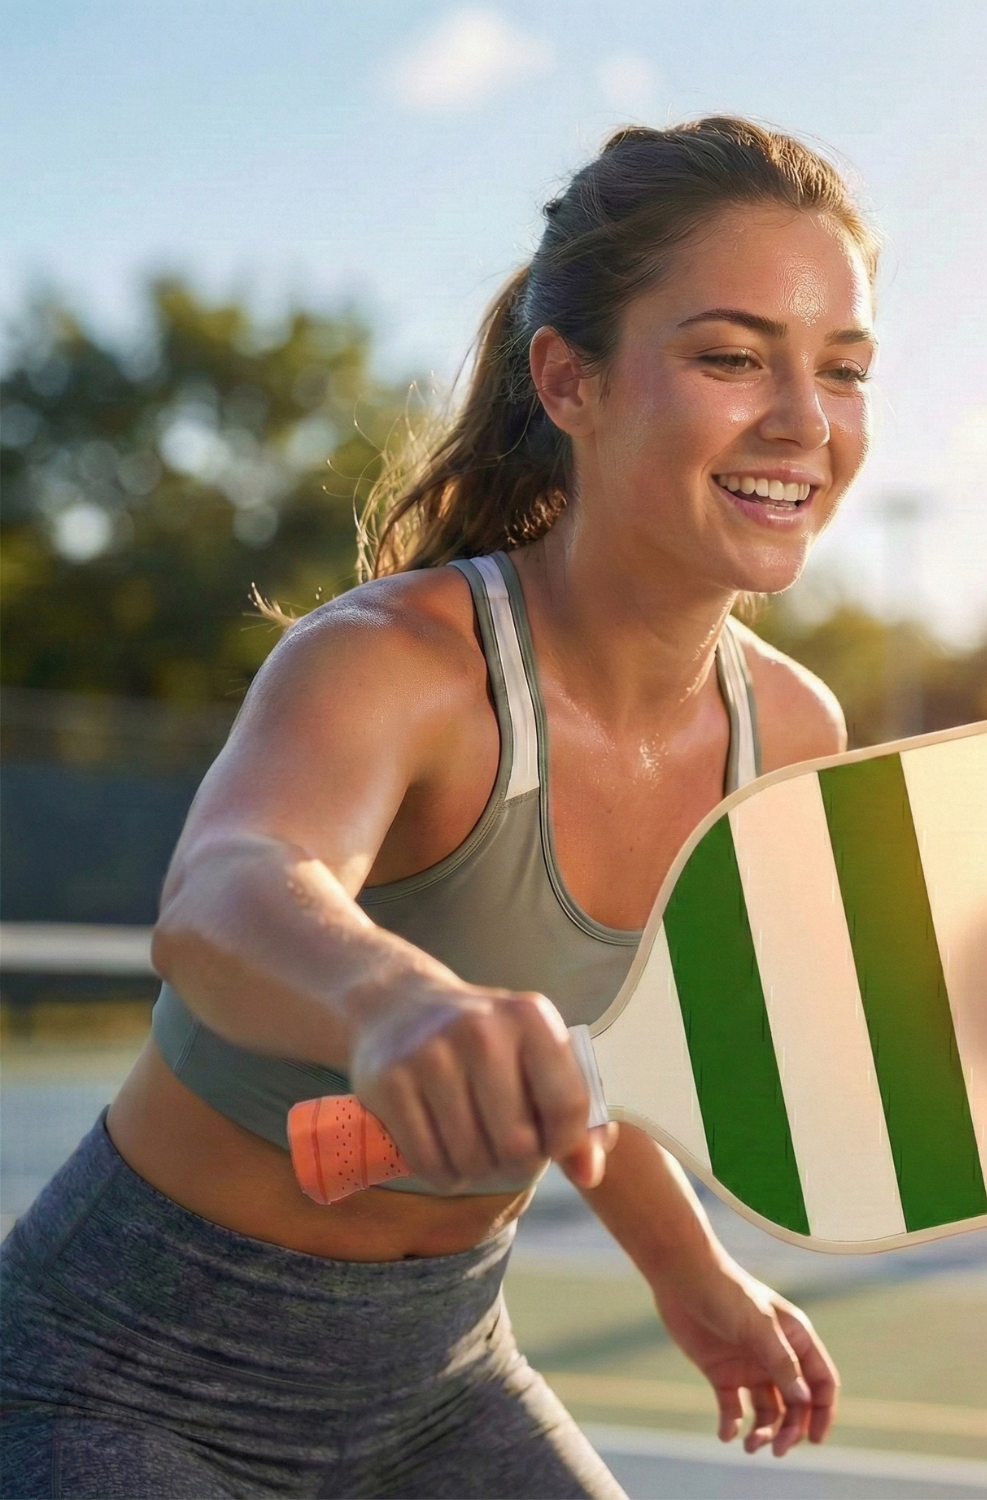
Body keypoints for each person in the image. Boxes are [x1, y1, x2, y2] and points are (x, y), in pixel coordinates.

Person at [1, 117, 878, 1497]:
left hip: (438, 1377)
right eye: (730, 357)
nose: (804, 423)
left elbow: (609, 1060)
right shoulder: (394, 661)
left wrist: (692, 1270)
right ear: (569, 381)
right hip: (116, 1376)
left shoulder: (794, 734)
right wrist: (392, 1003)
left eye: (843, 370)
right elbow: (228, 889)